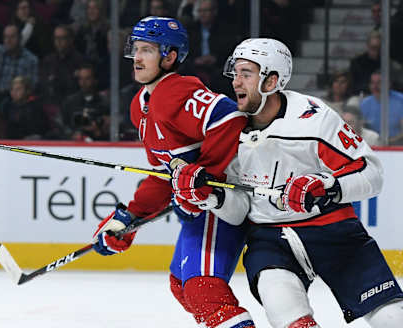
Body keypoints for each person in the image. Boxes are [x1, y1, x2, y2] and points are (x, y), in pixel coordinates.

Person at [171, 37, 403, 328]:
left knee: (392, 318)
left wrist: (327, 186)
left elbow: (372, 174)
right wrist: (212, 196)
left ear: (271, 82)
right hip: (270, 241)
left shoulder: (312, 119)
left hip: (334, 233)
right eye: (235, 72)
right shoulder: (228, 128)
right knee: (289, 317)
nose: (235, 82)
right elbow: (240, 209)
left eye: (246, 73)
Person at [91, 16, 256, 328]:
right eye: (135, 49)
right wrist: (130, 218)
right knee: (182, 286)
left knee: (202, 289)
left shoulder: (177, 90)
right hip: (199, 206)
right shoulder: (140, 104)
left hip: (219, 203)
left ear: (169, 57)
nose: (137, 58)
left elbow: (230, 119)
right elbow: (163, 175)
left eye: (147, 50)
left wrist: (204, 176)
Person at [360, 70, 403, 145]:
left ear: (388, 84)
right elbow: (361, 129)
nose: (375, 86)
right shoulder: (365, 103)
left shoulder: (400, 100)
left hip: (397, 146)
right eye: (372, 83)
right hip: (372, 145)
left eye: (379, 82)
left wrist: (387, 142)